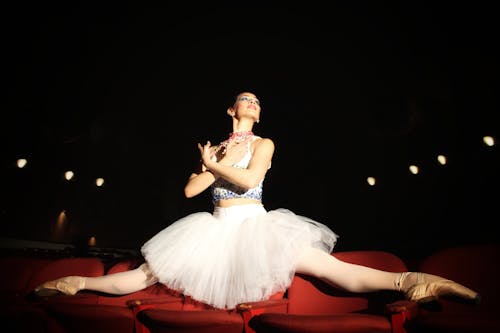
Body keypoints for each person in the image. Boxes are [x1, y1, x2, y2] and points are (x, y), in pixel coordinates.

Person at [34, 91, 480, 310]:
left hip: (256, 225)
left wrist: (220, 166)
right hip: (214, 228)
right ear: (232, 110)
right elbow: (190, 192)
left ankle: (411, 281)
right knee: (144, 274)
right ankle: (75, 283)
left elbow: (248, 183)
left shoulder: (264, 143)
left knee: (330, 268)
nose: (251, 102)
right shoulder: (218, 149)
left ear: (258, 114)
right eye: (244, 99)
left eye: (256, 101)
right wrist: (209, 164)